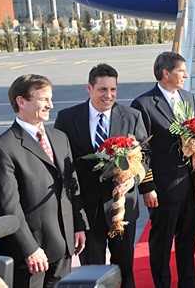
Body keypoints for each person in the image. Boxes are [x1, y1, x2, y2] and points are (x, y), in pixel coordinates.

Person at [54, 64, 150, 288]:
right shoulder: (68, 118)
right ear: (89, 88)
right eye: (102, 89)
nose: (109, 95)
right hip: (87, 210)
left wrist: (133, 179)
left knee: (125, 269)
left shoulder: (132, 116)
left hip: (122, 208)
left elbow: (145, 155)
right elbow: (63, 166)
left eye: (113, 90)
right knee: (92, 272)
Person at [0, 74, 87, 288]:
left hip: (63, 247)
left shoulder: (59, 138)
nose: (50, 105)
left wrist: (78, 226)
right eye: (44, 99)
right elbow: (7, 208)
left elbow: (72, 185)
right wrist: (30, 249)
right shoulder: (3, 148)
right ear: (21, 101)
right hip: (31, 256)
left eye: (50, 99)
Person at [131, 52, 195, 288]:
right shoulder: (143, 104)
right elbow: (140, 151)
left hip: (189, 184)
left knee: (188, 241)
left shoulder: (189, 98)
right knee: (161, 244)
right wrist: (147, 187)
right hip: (162, 188)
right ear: (166, 73)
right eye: (182, 71)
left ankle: (188, 283)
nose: (186, 75)